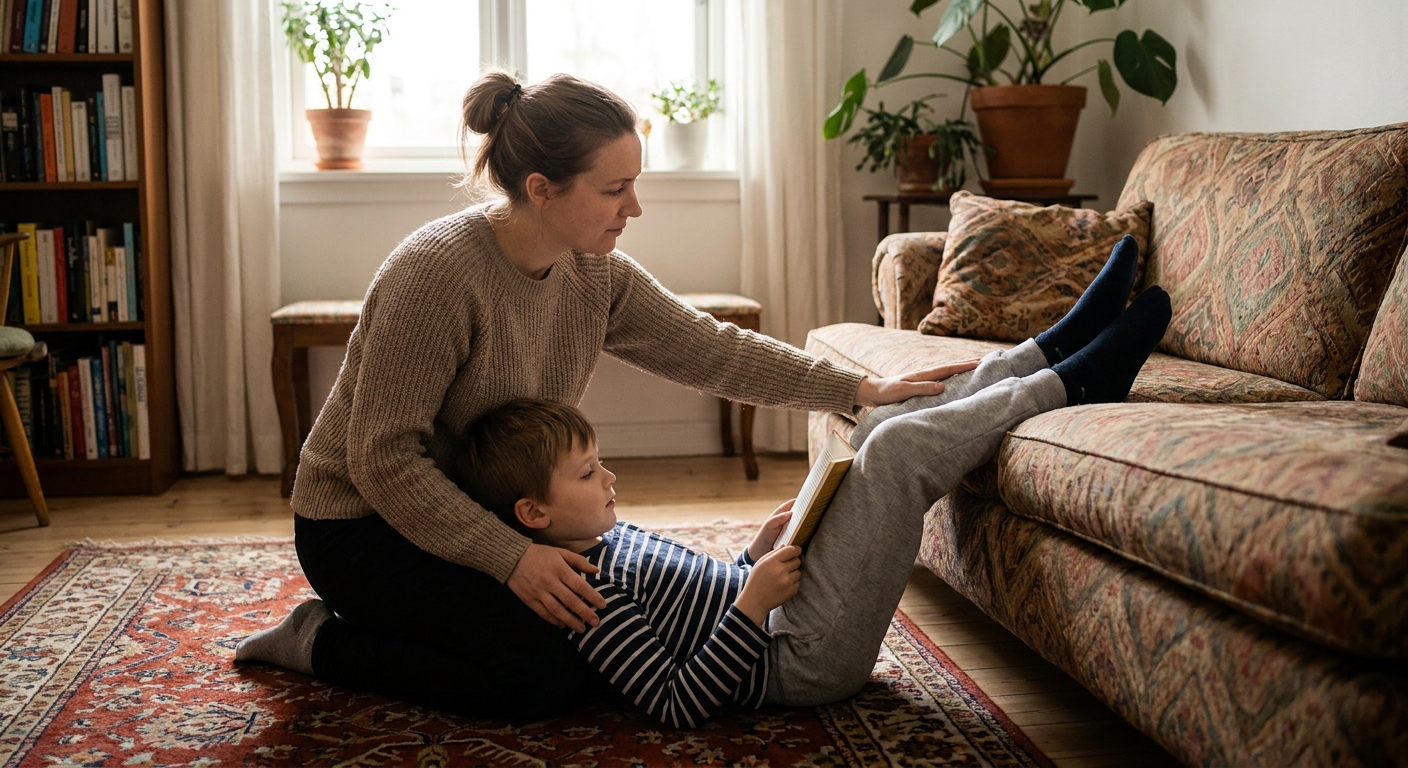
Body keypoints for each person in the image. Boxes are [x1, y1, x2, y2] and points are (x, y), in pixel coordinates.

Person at [233, 70, 975, 720]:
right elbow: (382, 460)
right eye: (616, 189)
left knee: (591, 642)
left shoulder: (595, 274)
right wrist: (512, 559)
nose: (636, 208)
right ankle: (322, 639)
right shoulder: (434, 274)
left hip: (487, 506)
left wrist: (856, 385)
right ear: (541, 190)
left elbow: (709, 349)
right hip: (361, 527)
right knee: (540, 677)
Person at [430, 242, 1170, 727]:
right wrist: (750, 606)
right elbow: (676, 702)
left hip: (779, 611)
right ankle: (1071, 382)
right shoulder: (583, 598)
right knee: (903, 451)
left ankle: (1050, 347)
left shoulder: (600, 533)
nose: (610, 476)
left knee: (879, 428)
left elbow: (689, 600)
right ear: (532, 513)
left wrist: (747, 561)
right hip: (797, 658)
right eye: (588, 473)